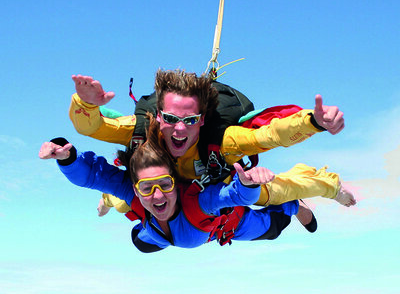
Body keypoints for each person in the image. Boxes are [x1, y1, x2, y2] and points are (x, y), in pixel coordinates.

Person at [69, 70, 355, 223]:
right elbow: (92, 126)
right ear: (157, 116)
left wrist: (312, 122)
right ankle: (106, 201)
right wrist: (86, 104)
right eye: (170, 119)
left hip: (216, 183)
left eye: (190, 120)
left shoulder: (223, 140)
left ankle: (327, 184)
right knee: (122, 198)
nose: (180, 129)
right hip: (162, 185)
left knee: (273, 194)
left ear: (202, 119)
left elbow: (269, 135)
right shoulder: (140, 129)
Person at [38, 116, 308, 253]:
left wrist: (247, 185)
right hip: (160, 233)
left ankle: (295, 206)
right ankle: (109, 201)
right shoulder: (131, 194)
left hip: (228, 225)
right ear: (135, 187)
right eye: (146, 188)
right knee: (139, 240)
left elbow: (231, 196)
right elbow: (92, 175)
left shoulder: (197, 202)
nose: (158, 195)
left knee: (273, 229)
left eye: (165, 185)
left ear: (175, 182)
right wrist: (67, 156)